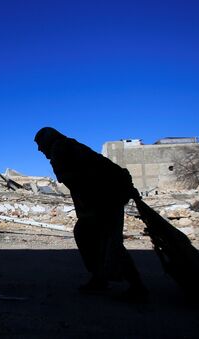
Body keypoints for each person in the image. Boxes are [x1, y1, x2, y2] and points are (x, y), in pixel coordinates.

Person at [34, 127, 148, 301]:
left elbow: (78, 178)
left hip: (105, 199)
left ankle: (135, 285)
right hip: (107, 197)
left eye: (40, 144)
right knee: (93, 236)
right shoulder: (68, 146)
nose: (39, 150)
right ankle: (101, 278)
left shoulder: (60, 148)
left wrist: (92, 206)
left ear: (47, 140)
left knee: (107, 241)